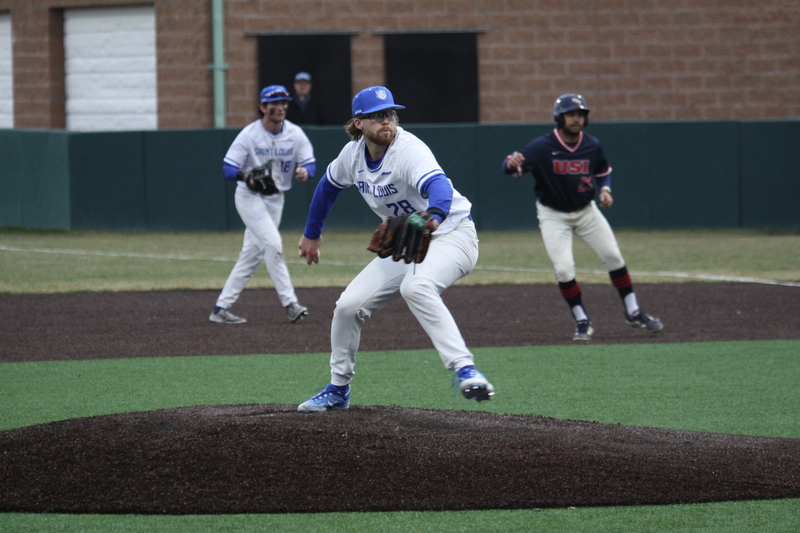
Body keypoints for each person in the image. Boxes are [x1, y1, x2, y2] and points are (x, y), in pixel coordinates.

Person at [296, 86, 494, 412]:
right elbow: (327, 187)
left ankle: (465, 369)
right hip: (409, 242)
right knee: (348, 306)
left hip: (453, 234)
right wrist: (311, 235)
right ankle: (338, 390)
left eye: (389, 114)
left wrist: (434, 214)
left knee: (416, 286)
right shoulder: (352, 155)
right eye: (376, 116)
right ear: (359, 123)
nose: (386, 121)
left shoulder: (408, 150)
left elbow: (438, 186)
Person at [501, 93, 663, 341]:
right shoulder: (542, 146)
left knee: (613, 256)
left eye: (580, 114)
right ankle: (582, 320)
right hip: (553, 215)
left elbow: (602, 170)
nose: (576, 119)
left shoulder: (591, 144)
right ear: (560, 117)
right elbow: (511, 166)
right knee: (564, 270)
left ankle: (633, 312)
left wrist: (605, 190)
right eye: (571, 114)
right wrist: (512, 163)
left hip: (586, 211)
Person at [209, 84, 315, 325]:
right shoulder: (249, 134)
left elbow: (310, 163)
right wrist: (245, 176)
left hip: (276, 199)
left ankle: (221, 308)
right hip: (249, 197)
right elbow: (228, 168)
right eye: (274, 103)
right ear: (262, 107)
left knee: (252, 256)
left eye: (284, 103)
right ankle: (290, 304)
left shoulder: (295, 134)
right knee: (274, 244)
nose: (280, 107)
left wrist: (304, 172)